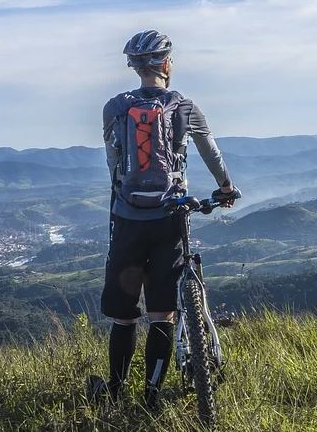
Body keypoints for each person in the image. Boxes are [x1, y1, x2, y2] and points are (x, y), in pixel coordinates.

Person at [88, 29, 240, 410]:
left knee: (123, 318)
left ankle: (115, 392)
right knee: (162, 314)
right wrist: (225, 187)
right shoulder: (184, 106)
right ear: (167, 64)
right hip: (170, 217)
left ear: (135, 67)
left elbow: (113, 163)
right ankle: (151, 397)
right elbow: (211, 152)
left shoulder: (114, 108)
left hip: (127, 219)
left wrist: (124, 197)